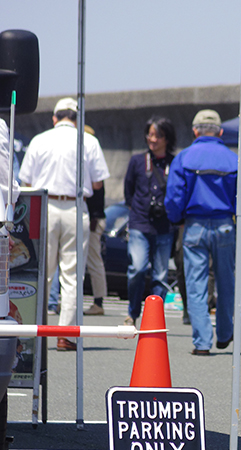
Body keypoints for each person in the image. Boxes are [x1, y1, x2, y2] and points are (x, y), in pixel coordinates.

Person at [19, 97, 110, 350]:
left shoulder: (40, 140)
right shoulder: (88, 141)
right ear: (76, 118)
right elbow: (98, 184)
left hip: (45, 205)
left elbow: (26, 181)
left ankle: (34, 331)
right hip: (74, 206)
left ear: (55, 118)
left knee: (41, 273)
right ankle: (66, 335)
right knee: (72, 274)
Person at [164, 109, 241, 355]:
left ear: (195, 131)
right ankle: (225, 333)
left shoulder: (183, 157)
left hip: (194, 225)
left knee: (196, 284)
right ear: (220, 132)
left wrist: (177, 219)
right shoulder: (234, 159)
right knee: (226, 281)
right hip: (225, 224)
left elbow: (173, 197)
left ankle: (202, 342)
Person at [123, 116, 176, 326]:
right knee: (137, 269)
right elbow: (129, 192)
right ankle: (132, 312)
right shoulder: (137, 161)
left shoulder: (175, 162)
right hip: (139, 223)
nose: (152, 139)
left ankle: (154, 318)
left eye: (157, 135)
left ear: (167, 138)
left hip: (165, 226)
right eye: (150, 134)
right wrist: (135, 210)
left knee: (161, 275)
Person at [83, 125, 108, 316]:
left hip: (93, 218)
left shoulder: (91, 169)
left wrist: (94, 218)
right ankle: (97, 301)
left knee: (93, 260)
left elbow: (96, 196)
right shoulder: (93, 167)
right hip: (93, 217)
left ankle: (99, 301)